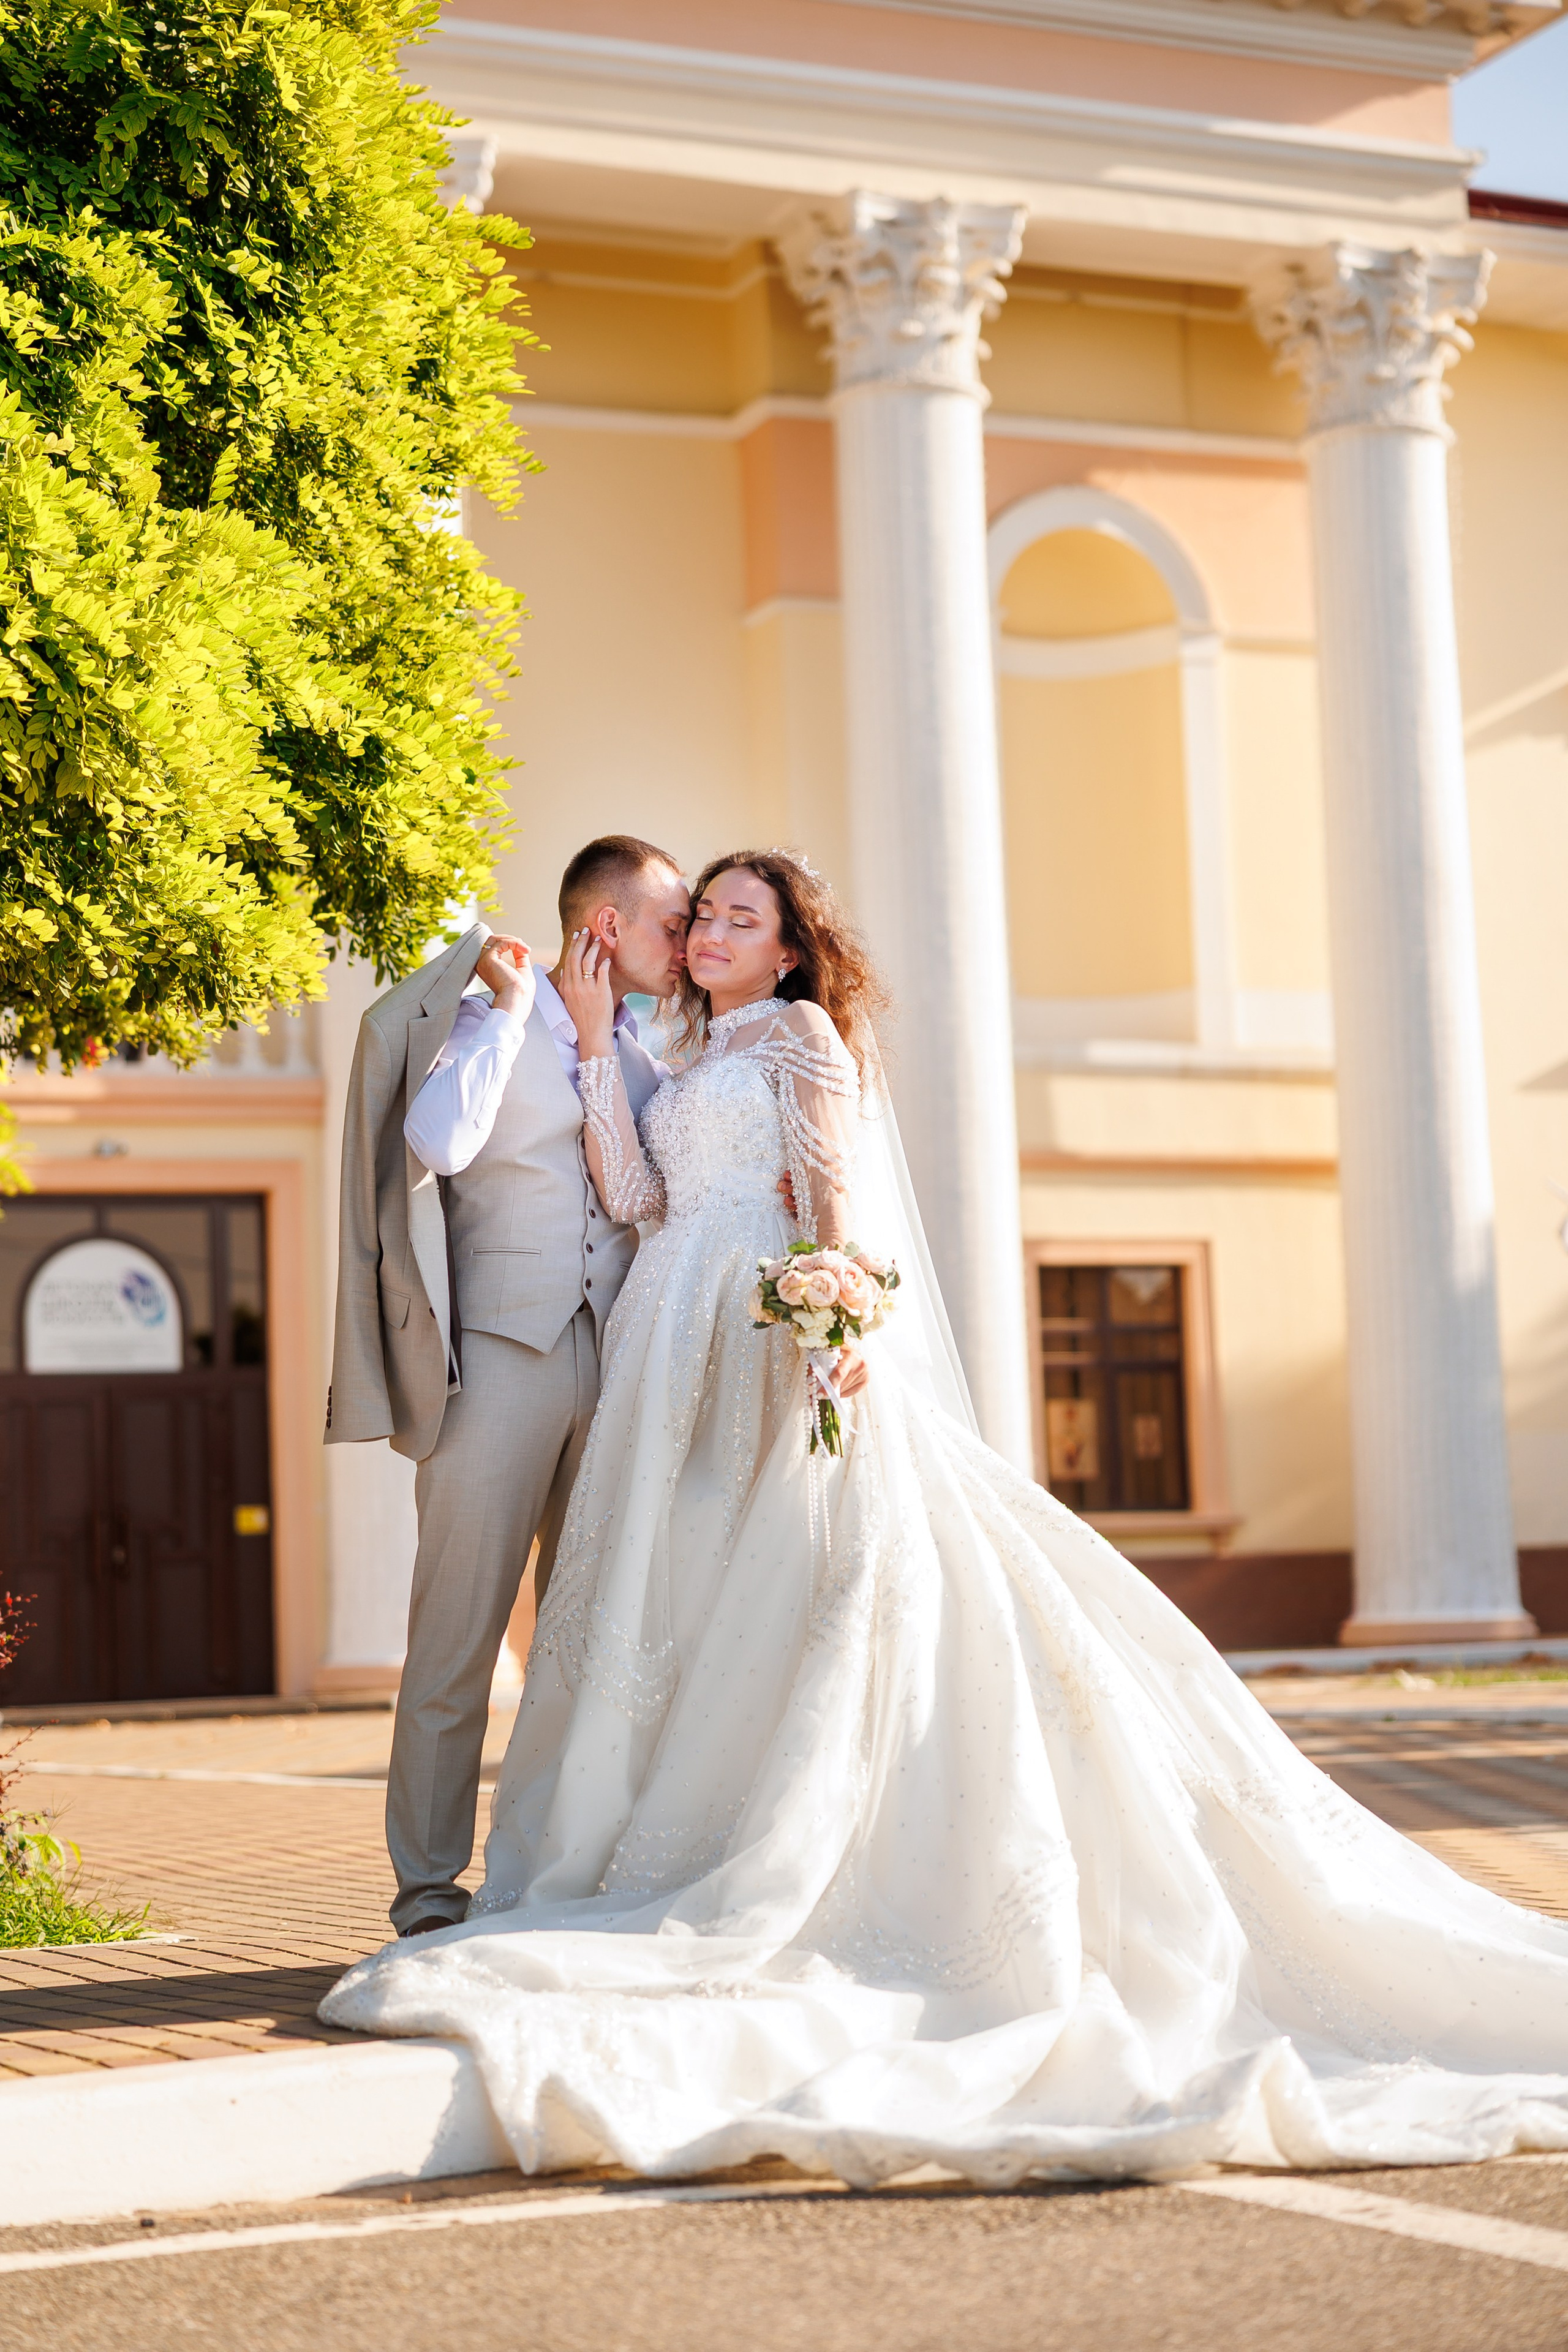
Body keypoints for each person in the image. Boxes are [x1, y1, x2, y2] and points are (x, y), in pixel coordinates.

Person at [325, 849, 1568, 2184]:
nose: (706, 931)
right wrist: (579, 1048)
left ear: (790, 950)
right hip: (661, 1351)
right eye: (700, 915)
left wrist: (841, 1318)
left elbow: (834, 1202)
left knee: (811, 1590)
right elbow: (634, 1201)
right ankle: (569, 1855)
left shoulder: (800, 1038)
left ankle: (810, 1860)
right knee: (688, 1611)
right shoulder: (663, 1055)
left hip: (759, 1337)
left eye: (737, 916)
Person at [326, 835, 690, 1936]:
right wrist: (512, 1003)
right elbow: (436, 1143)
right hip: (495, 1363)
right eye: (672, 922)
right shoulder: (494, 1019)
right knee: (457, 1642)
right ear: (609, 927)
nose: (687, 943)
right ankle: (429, 1892)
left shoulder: (642, 1053)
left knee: (593, 1642)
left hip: (615, 1365)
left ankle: (555, 1873)